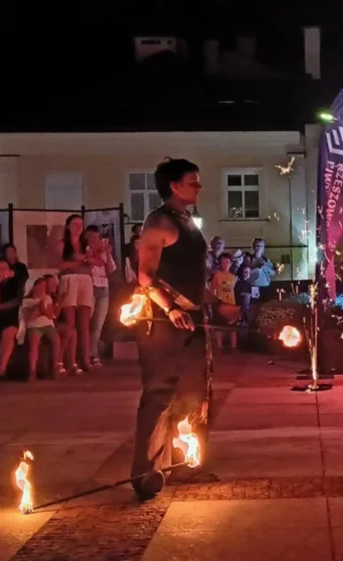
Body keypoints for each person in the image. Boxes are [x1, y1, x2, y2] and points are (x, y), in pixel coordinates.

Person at [131, 158, 211, 501]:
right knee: (159, 393)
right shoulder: (158, 222)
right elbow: (145, 275)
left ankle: (185, 461)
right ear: (174, 186)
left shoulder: (188, 221)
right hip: (164, 322)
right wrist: (171, 307)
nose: (199, 187)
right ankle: (145, 472)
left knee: (194, 392)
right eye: (193, 182)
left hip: (193, 317)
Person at [58, 214, 95, 374]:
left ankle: (85, 359)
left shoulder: (86, 244)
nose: (78, 227)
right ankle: (65, 360)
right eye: (75, 224)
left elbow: (94, 263)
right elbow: (60, 265)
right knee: (70, 322)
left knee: (85, 323)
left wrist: (84, 261)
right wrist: (79, 261)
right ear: (68, 226)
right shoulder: (62, 244)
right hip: (69, 280)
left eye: (81, 224)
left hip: (85, 280)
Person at [21, 277, 64, 380]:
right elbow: (28, 317)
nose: (42, 289)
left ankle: (55, 367)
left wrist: (41, 310)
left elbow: (51, 315)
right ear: (35, 287)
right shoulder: (27, 301)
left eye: (44, 287)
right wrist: (40, 308)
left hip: (48, 325)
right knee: (34, 343)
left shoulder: (47, 298)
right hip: (34, 326)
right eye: (40, 287)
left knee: (56, 340)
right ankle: (32, 371)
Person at [85, 225, 117, 367]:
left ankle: (94, 354)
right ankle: (85, 354)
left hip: (103, 287)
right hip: (89, 287)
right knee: (87, 322)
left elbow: (110, 270)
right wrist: (98, 253)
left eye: (97, 238)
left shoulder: (104, 252)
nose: (96, 240)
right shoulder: (85, 251)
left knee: (98, 323)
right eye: (92, 238)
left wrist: (108, 254)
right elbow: (91, 263)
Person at [210, 253, 240, 351]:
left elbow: (234, 290)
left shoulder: (234, 277)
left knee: (232, 328)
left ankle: (234, 348)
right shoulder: (217, 275)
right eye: (222, 262)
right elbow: (212, 290)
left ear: (230, 263)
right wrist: (214, 303)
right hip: (220, 304)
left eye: (227, 262)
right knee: (219, 327)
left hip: (231, 304)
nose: (225, 264)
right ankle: (219, 348)